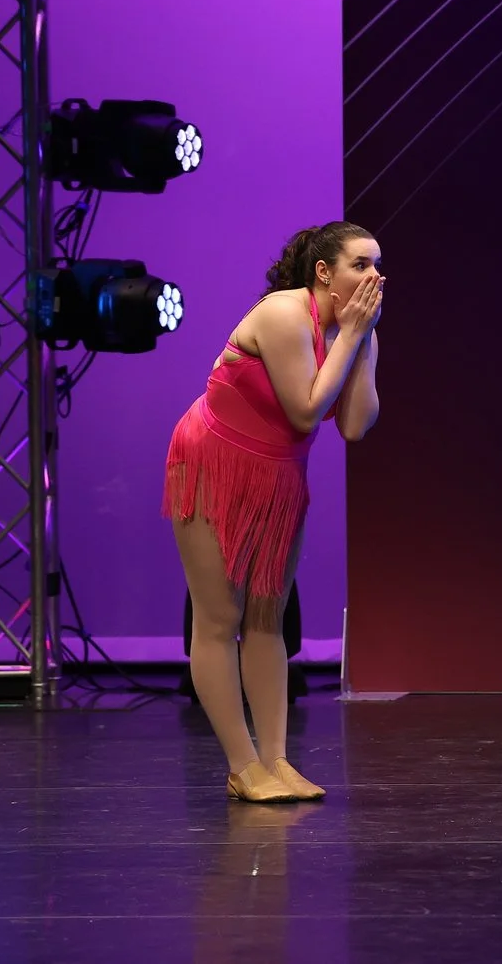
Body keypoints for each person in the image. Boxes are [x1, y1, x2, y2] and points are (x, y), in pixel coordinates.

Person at [164, 221, 384, 802]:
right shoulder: (284, 314)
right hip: (212, 464)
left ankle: (276, 760)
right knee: (220, 619)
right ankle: (243, 765)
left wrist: (359, 341)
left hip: (276, 478)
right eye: (360, 264)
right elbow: (308, 411)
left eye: (377, 265)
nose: (374, 277)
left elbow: (356, 426)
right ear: (323, 273)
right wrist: (351, 337)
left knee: (267, 617)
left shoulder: (353, 332)